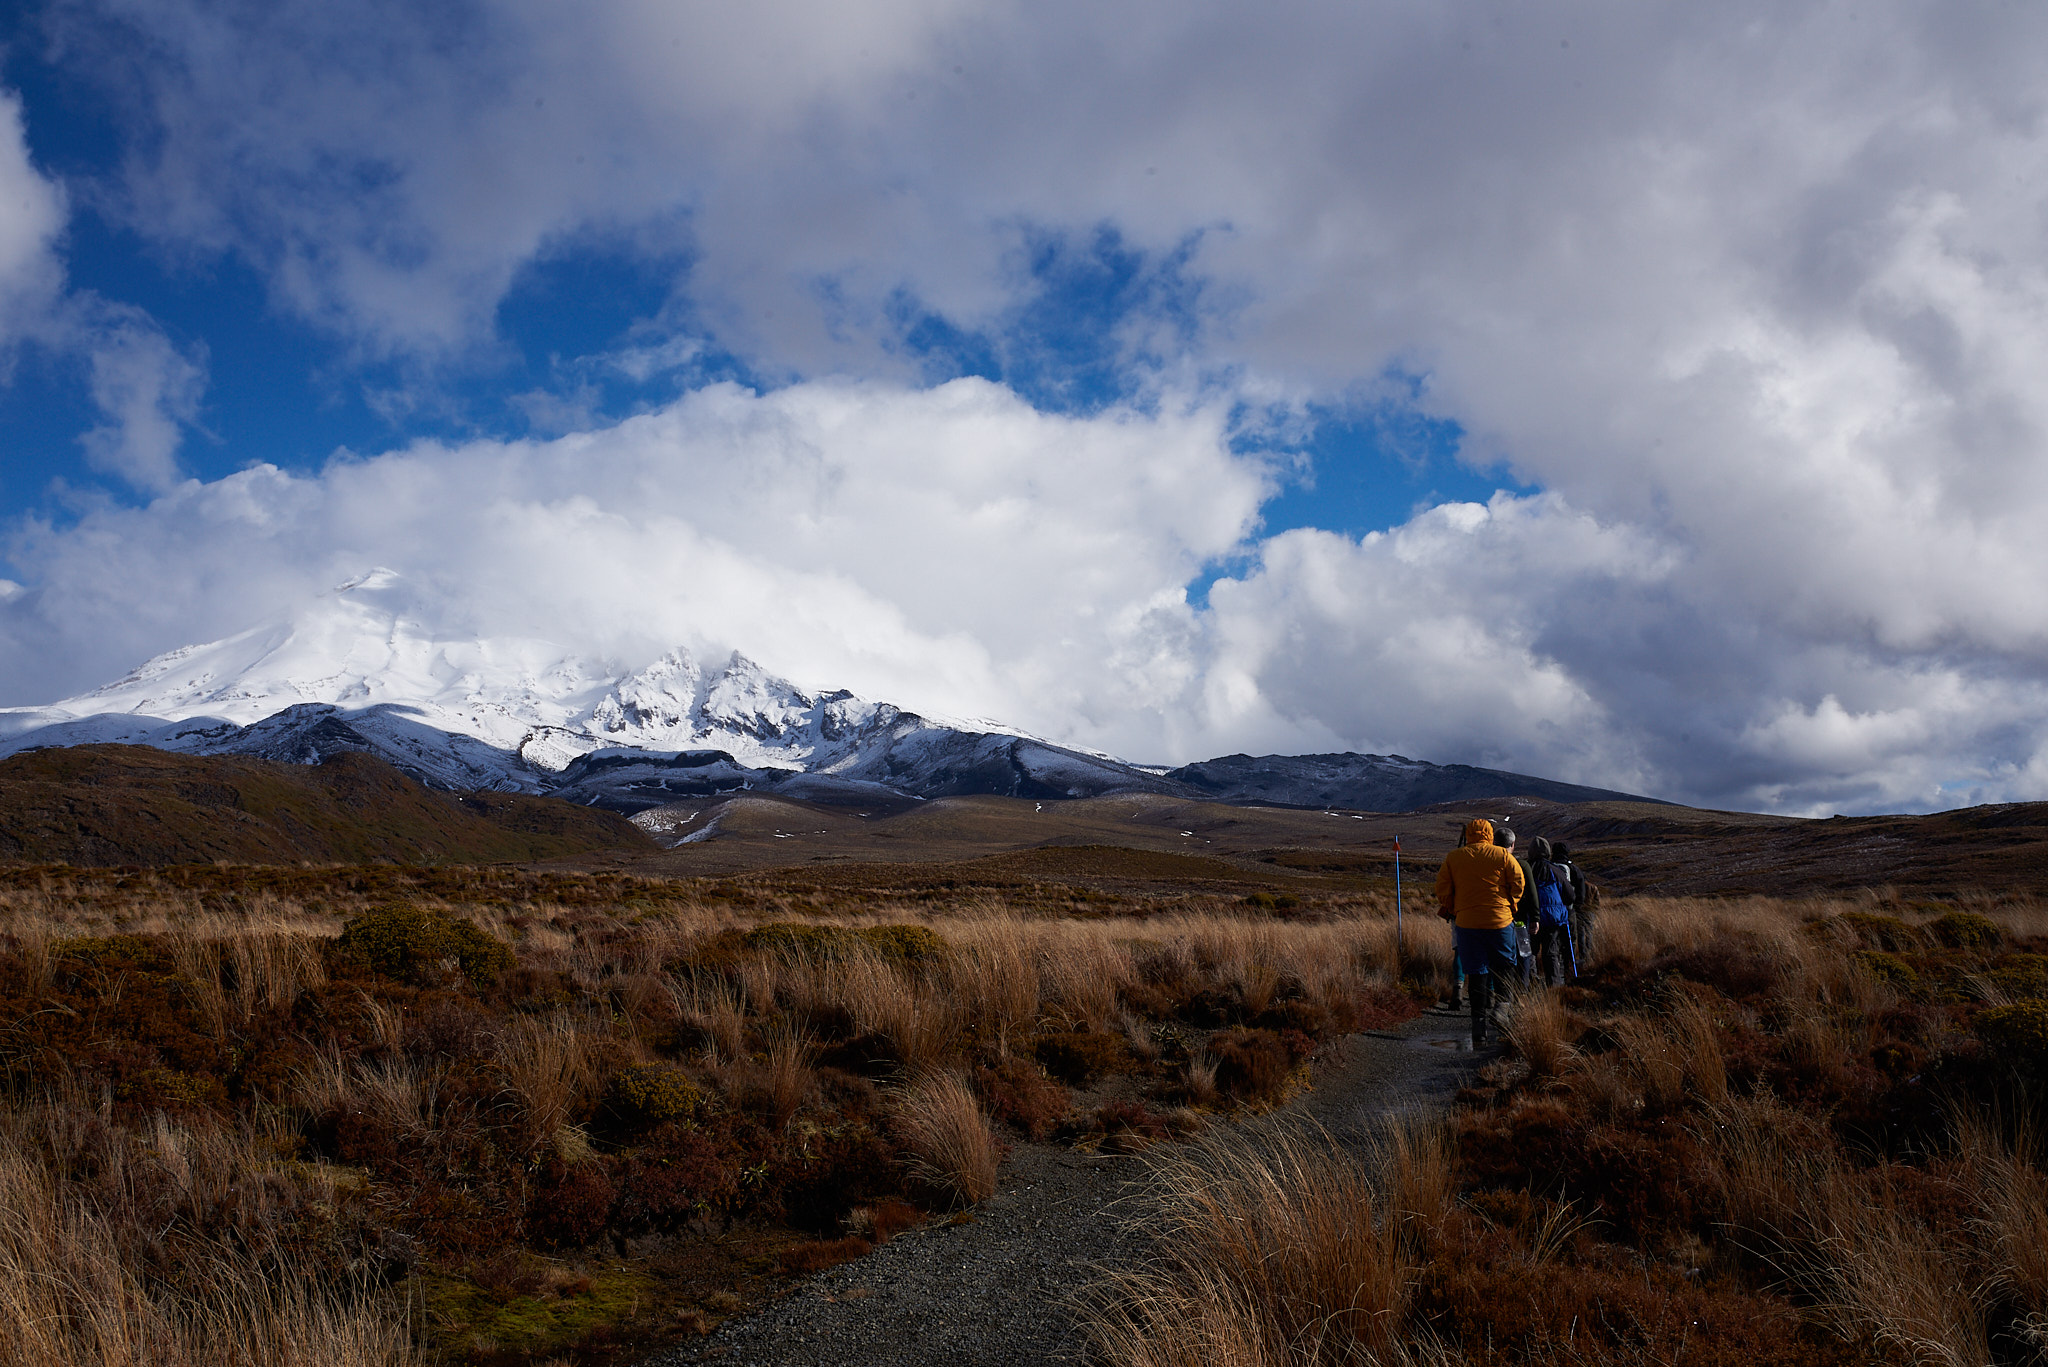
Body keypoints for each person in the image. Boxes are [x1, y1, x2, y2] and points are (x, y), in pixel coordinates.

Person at [1434, 818, 1526, 1048]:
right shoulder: (1502, 855)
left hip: (1467, 923)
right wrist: (1510, 905)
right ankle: (1502, 1009)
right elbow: (1518, 882)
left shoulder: (1454, 858)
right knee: (1504, 966)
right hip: (1499, 921)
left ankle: (1479, 1028)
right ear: (1489, 834)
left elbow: (1442, 888)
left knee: (1476, 972)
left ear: (1468, 835)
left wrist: (1457, 908)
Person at [1525, 836, 1576, 986]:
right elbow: (1570, 896)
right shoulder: (1556, 870)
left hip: (1530, 918)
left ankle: (1530, 982)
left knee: (1529, 952)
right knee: (1551, 953)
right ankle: (1553, 986)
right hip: (1552, 919)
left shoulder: (1525, 869)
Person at [1551, 842, 1594, 975]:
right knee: (1570, 940)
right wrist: (1576, 905)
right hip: (1569, 910)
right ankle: (1569, 968)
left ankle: (1555, 970)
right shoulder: (1573, 869)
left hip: (1551, 912)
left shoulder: (1549, 867)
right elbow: (1581, 892)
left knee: (1553, 941)